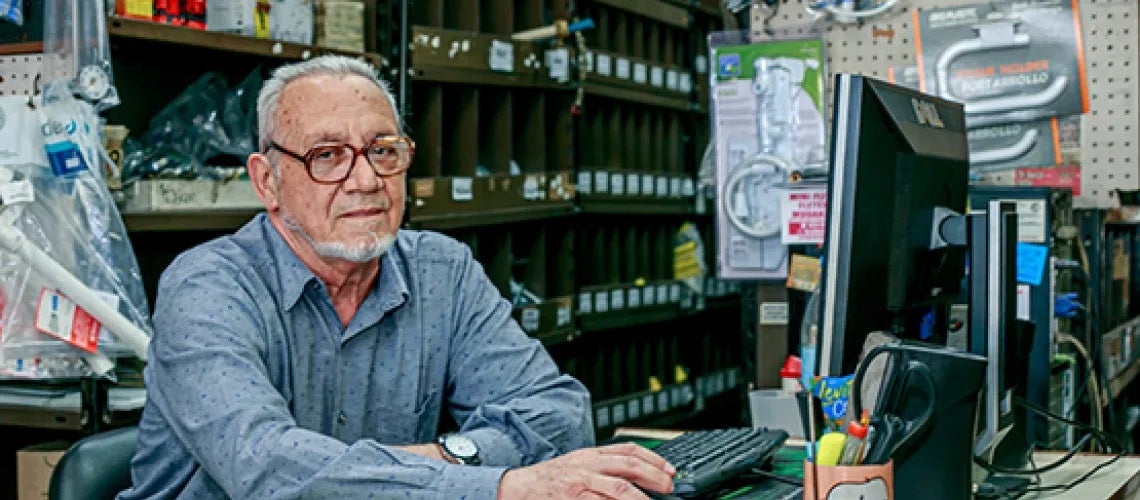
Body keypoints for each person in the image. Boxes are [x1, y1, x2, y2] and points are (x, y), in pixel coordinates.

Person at [118, 55, 675, 499]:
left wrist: (440, 458)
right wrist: (498, 485)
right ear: (268, 183)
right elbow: (264, 467)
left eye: (384, 150)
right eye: (327, 156)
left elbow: (559, 417)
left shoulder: (442, 271)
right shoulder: (208, 287)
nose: (365, 179)